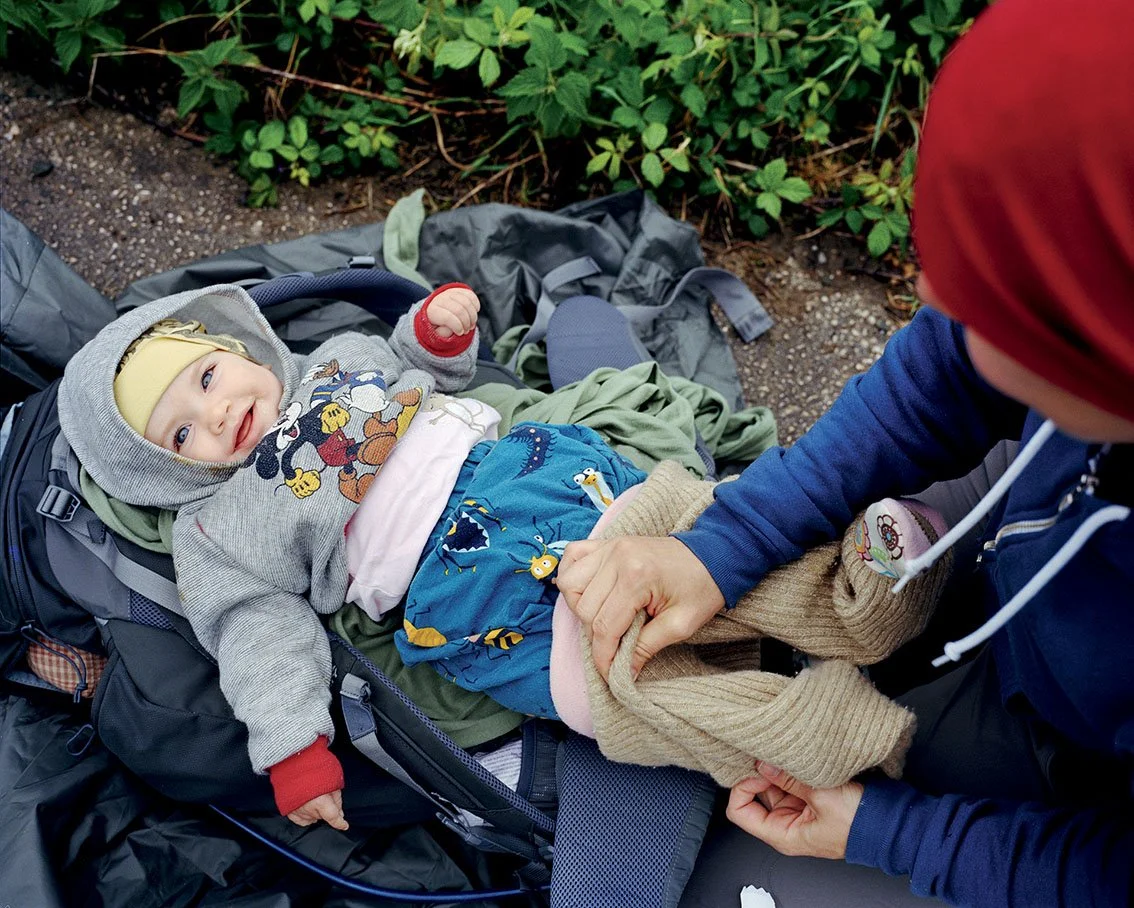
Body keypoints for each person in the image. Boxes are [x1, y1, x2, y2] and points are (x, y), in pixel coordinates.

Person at [555, 0, 1134, 905]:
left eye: (982, 297)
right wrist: (724, 542)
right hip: (1044, 547)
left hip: (1078, 760)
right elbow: (942, 374)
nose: (929, 289)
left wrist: (890, 833)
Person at [57, 280, 646, 832]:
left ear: (239, 347)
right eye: (181, 436)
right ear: (163, 470)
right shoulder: (220, 530)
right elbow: (257, 633)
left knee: (647, 526)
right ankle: (661, 708)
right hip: (455, 575)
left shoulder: (334, 363)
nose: (214, 413)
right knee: (585, 667)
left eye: (208, 377)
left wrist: (436, 334)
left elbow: (414, 363)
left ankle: (704, 550)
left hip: (520, 470)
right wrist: (293, 748)